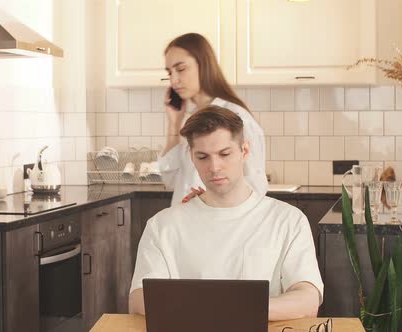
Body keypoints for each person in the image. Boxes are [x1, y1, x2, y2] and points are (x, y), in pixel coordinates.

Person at [129, 106, 323, 321]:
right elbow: (139, 299)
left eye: (225, 154)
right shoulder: (162, 225)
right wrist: (226, 308)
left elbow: (308, 299)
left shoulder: (288, 220)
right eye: (203, 157)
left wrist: (228, 309)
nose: (214, 167)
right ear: (191, 156)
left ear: (245, 151)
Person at [159, 32, 268, 205]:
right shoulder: (192, 120)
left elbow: (255, 188)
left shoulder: (237, 118)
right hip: (187, 223)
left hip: (220, 227)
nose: (174, 80)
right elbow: (170, 180)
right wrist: (174, 124)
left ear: (204, 65)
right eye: (169, 72)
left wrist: (209, 201)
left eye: (180, 69)